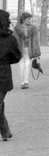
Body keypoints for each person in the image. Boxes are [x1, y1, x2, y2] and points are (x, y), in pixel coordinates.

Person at [0, 10, 21, 141]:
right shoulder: (10, 39)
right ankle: (5, 131)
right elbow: (16, 57)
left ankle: (5, 131)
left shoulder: (10, 38)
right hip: (3, 75)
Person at [13, 13, 41, 89]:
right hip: (20, 49)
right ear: (23, 20)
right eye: (28, 19)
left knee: (27, 65)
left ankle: (26, 82)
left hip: (29, 49)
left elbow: (35, 41)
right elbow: (14, 40)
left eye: (30, 19)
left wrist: (36, 51)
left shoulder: (33, 28)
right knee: (21, 66)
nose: (29, 21)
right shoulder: (17, 28)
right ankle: (22, 82)